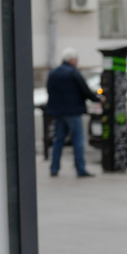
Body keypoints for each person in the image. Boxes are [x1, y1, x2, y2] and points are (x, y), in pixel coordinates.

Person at [45, 48, 100, 178]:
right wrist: (98, 99)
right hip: (73, 111)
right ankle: (80, 169)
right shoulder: (73, 72)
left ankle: (54, 168)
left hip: (58, 112)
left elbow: (49, 90)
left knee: (58, 140)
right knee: (78, 140)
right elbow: (85, 90)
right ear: (72, 60)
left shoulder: (53, 73)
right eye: (76, 60)